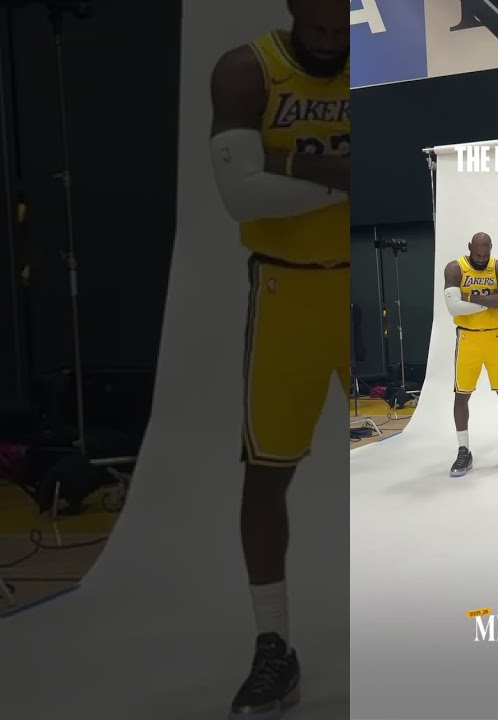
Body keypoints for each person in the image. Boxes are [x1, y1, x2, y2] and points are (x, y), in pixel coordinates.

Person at [206, 1, 348, 716]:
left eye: (342, 27)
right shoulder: (246, 70)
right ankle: (273, 646)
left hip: (366, 278)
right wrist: (347, 174)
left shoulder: (382, 71)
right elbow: (241, 195)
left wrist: (285, 162)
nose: (329, 40)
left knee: (431, 453)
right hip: (286, 289)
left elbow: (407, 167)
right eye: (318, 26)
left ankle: (459, 617)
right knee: (266, 475)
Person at [442, 232, 498, 476]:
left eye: (485, 254)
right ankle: (463, 451)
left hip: (496, 336)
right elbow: (453, 307)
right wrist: (489, 300)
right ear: (469, 247)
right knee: (462, 395)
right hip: (467, 338)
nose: (480, 258)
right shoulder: (455, 268)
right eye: (477, 254)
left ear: (491, 249)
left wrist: (468, 297)